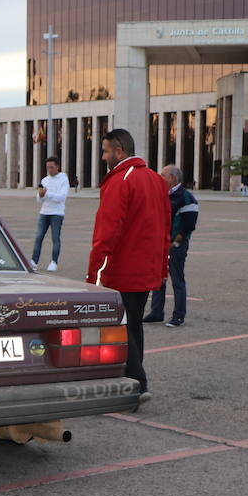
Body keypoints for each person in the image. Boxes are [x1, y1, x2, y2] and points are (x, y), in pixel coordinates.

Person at [85, 128, 170, 407]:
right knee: (133, 325)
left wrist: (93, 276)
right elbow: (164, 229)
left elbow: (106, 233)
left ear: (119, 152)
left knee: (122, 327)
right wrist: (161, 268)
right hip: (146, 270)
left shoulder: (120, 180)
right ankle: (131, 381)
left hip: (122, 271)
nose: (103, 156)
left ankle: (136, 382)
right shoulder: (157, 181)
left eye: (106, 151)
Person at [146, 164, 199, 328]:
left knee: (177, 279)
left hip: (176, 245)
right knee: (157, 278)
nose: (159, 177)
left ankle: (178, 315)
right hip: (160, 244)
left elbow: (189, 224)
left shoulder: (186, 197)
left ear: (173, 178)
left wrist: (176, 242)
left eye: (163, 175)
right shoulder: (162, 195)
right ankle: (156, 312)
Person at [32, 155, 68, 271]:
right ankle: (34, 261)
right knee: (38, 237)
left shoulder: (63, 178)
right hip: (44, 212)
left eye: (52, 167)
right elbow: (39, 200)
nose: (50, 170)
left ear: (57, 166)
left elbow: (62, 197)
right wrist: (41, 195)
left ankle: (54, 262)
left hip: (57, 213)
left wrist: (47, 194)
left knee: (55, 238)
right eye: (48, 167)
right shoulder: (44, 180)